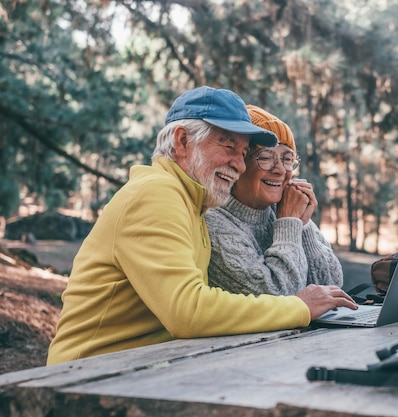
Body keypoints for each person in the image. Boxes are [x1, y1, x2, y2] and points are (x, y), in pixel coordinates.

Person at [47, 86, 357, 365]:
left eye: (244, 153)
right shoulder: (156, 193)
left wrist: (296, 221)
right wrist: (298, 308)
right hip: (85, 374)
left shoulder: (191, 201)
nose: (238, 163)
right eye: (227, 146)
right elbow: (187, 310)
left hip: (142, 365)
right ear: (182, 141)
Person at [205, 105, 343, 296]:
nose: (279, 170)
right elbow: (279, 295)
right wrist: (289, 223)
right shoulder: (214, 223)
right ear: (238, 164)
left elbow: (332, 286)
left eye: (287, 159)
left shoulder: (283, 210)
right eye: (266, 157)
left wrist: (303, 225)